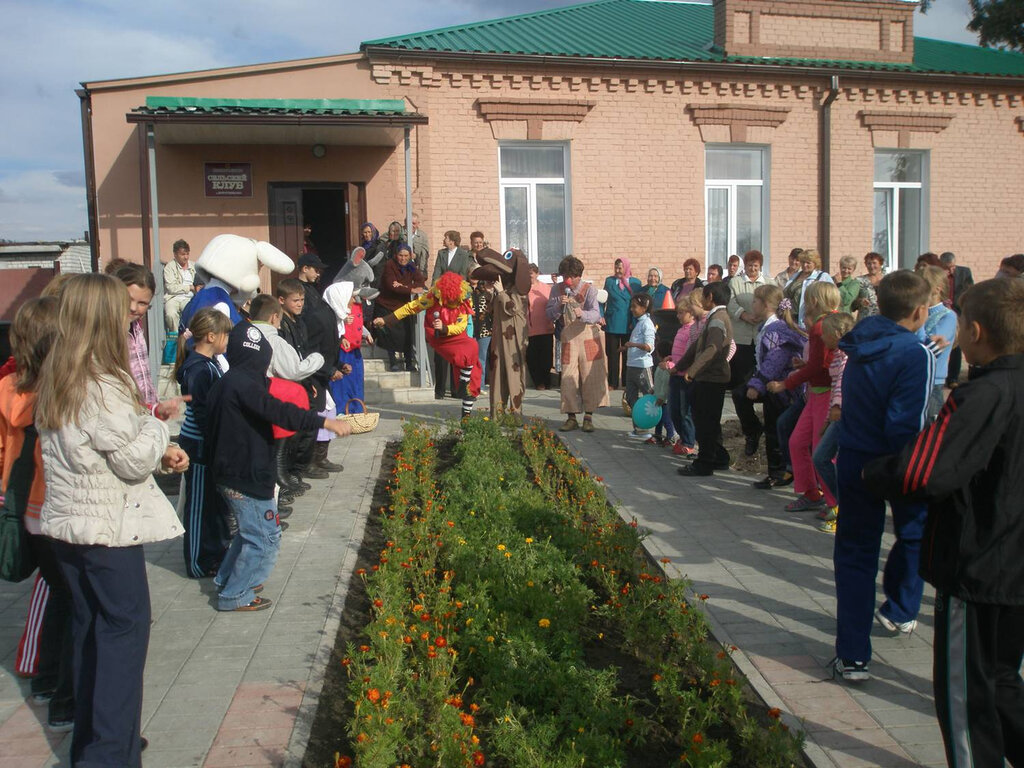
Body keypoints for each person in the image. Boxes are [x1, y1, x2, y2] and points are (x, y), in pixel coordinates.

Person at [863, 278, 1024, 767]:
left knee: (965, 694)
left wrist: (873, 473)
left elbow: (923, 471)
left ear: (974, 332)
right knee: (1002, 678)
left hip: (979, 564)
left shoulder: (983, 395)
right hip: (1015, 565)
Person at [36, 273, 189, 766]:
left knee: (92, 632)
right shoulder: (99, 382)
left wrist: (150, 440)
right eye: (122, 311)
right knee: (124, 635)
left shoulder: (59, 371)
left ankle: (99, 742)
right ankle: (107, 754)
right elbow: (129, 459)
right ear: (101, 318)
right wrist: (158, 426)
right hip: (106, 532)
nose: (130, 319)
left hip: (71, 527)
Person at [831, 270, 935, 682]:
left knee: (855, 555)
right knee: (916, 533)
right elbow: (907, 422)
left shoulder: (860, 340)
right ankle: (901, 606)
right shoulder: (915, 353)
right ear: (920, 311)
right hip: (898, 461)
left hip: (855, 456)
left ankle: (853, 655)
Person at [206, 320, 350, 612]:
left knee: (249, 533)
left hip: (232, 472)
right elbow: (278, 411)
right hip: (244, 475)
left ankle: (228, 579)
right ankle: (236, 594)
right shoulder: (245, 385)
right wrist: (323, 422)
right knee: (264, 538)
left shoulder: (231, 381)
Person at [0, 297, 75, 733]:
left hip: (23, 505)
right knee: (75, 601)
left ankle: (47, 681)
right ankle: (65, 699)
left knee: (58, 594)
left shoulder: (8, 386)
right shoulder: (56, 389)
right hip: (55, 505)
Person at [767, 281, 841, 513]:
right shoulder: (829, 323)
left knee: (821, 451)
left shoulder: (821, 327)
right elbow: (821, 363)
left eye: (807, 300)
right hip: (816, 394)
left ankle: (834, 502)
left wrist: (785, 384)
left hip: (826, 395)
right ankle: (812, 493)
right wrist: (806, 365)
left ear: (814, 301)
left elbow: (819, 367)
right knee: (797, 442)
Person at [174, 308, 235, 578]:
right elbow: (202, 413)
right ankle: (198, 562)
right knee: (199, 505)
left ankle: (216, 553)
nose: (227, 341)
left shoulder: (209, 364)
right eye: (225, 336)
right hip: (199, 445)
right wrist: (217, 441)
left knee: (214, 503)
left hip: (210, 442)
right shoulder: (198, 368)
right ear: (211, 336)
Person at [374, 271, 482, 419]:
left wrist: (445, 328)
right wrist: (387, 319)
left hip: (455, 334)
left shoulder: (464, 300)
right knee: (468, 350)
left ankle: (466, 412)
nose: (452, 304)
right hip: (438, 337)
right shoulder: (432, 298)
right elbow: (411, 307)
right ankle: (464, 381)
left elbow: (461, 326)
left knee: (472, 354)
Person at [745, 288, 806, 489]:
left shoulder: (775, 331)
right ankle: (777, 469)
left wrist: (757, 384)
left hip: (782, 389)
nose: (752, 305)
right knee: (773, 426)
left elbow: (774, 361)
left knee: (775, 430)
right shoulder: (768, 327)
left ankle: (779, 472)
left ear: (765, 305)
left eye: (755, 301)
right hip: (774, 385)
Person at [675, 281, 734, 476]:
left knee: (704, 422)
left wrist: (692, 370)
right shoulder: (715, 317)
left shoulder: (717, 319)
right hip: (711, 376)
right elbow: (697, 346)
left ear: (710, 298)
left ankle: (705, 462)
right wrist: (680, 366)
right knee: (710, 421)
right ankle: (719, 457)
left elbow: (712, 349)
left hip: (711, 378)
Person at [548, 256, 608, 432]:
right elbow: (549, 314)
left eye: (570, 276)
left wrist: (583, 314)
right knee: (568, 376)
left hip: (588, 336)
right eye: (564, 276)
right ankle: (571, 417)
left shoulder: (589, 290)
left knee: (590, 376)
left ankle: (588, 417)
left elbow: (596, 314)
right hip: (568, 338)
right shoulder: (557, 290)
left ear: (578, 275)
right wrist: (558, 306)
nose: (567, 280)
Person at [471, 248, 531, 417]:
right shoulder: (504, 288)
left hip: (514, 341)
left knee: (514, 375)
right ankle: (497, 414)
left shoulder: (519, 291)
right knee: (497, 375)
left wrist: (502, 293)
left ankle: (516, 413)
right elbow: (493, 310)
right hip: (499, 339)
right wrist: (491, 295)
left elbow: (512, 309)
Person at [810, 312, 856, 534]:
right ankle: (841, 506)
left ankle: (845, 510)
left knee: (823, 457)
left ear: (837, 334)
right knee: (822, 458)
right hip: (836, 415)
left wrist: (836, 409)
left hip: (844, 415)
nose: (822, 337)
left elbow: (841, 386)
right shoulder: (838, 354)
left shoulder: (846, 356)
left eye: (825, 333)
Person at [727, 250, 768, 446]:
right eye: (750, 265)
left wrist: (761, 316)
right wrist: (744, 315)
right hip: (742, 338)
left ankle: (766, 425)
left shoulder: (768, 282)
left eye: (756, 266)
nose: (752, 269)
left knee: (761, 380)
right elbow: (730, 303)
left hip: (763, 337)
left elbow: (774, 301)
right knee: (741, 383)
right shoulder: (736, 282)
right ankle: (750, 427)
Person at [376, 243, 425, 372]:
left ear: (410, 256)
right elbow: (392, 286)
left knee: (407, 334)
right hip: (387, 304)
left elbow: (420, 282)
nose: (403, 258)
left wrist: (404, 286)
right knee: (390, 335)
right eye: (400, 255)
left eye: (406, 256)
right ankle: (393, 362)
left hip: (403, 305)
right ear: (396, 255)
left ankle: (409, 363)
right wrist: (410, 289)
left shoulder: (411, 266)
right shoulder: (390, 265)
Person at [324, 282, 370, 416]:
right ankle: (342, 410)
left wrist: (366, 333)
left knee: (356, 382)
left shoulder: (355, 306)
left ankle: (357, 410)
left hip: (354, 349)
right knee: (342, 384)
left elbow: (359, 324)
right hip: (343, 350)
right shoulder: (336, 309)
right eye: (351, 297)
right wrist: (342, 337)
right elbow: (336, 326)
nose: (353, 300)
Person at [918, 266, 958, 419]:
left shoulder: (948, 316)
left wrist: (918, 322)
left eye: (923, 286)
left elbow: (931, 348)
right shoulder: (917, 312)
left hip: (933, 381)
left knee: (929, 425)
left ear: (937, 289)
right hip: (914, 378)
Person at [602, 258, 641, 390]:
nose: (618, 270)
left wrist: (634, 321)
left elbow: (638, 304)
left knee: (627, 354)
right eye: (616, 267)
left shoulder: (635, 283)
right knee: (612, 354)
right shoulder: (609, 281)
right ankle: (612, 382)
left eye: (620, 267)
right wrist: (601, 315)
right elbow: (602, 300)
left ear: (626, 268)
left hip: (628, 323)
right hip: (612, 322)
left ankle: (626, 382)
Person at [667, 298, 698, 456]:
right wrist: (671, 358)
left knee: (685, 412)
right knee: (674, 410)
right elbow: (679, 352)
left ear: (691, 313)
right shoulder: (681, 329)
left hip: (684, 376)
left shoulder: (693, 330)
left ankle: (689, 442)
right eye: (677, 313)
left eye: (681, 313)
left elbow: (689, 355)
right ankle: (682, 436)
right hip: (675, 375)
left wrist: (675, 366)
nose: (678, 316)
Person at [622, 293, 656, 439]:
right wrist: (627, 347)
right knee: (631, 398)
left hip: (642, 366)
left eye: (634, 306)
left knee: (649, 397)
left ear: (644, 307)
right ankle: (638, 429)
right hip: (631, 365)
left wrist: (633, 344)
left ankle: (651, 428)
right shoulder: (639, 323)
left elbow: (649, 347)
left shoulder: (647, 324)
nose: (632, 309)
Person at [940, 251, 973, 387]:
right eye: (948, 267)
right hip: (941, 312)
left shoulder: (964, 272)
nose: (951, 270)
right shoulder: (938, 274)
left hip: (958, 312)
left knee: (956, 345)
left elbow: (970, 291)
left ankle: (953, 378)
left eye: (953, 266)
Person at [782, 248, 834, 328]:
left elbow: (831, 298)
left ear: (815, 263)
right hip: (790, 319)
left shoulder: (822, 277)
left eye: (808, 263)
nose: (804, 265)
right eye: (803, 262)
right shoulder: (796, 276)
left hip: (809, 320)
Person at [526, 264, 555, 390]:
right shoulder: (523, 289)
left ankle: (546, 381)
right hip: (530, 329)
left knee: (546, 358)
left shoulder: (546, 288)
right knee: (532, 358)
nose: (529, 276)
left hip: (546, 327)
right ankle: (538, 382)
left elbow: (553, 304)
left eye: (531, 273)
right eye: (527, 273)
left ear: (537, 274)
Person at [650, 338, 676, 447]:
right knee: (658, 419)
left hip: (664, 399)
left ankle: (671, 436)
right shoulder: (661, 366)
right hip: (658, 396)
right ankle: (658, 435)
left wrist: (661, 397)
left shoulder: (666, 367)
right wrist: (653, 388)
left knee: (666, 419)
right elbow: (658, 381)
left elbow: (665, 384)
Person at [163, 239, 195, 328]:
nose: (186, 257)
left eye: (187, 254)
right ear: (175, 254)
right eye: (183, 254)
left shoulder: (194, 266)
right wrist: (190, 287)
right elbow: (171, 288)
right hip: (173, 297)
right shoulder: (169, 267)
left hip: (189, 297)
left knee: (192, 312)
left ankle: (189, 334)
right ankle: (175, 335)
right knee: (170, 315)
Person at [471, 278, 496, 388]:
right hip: (471, 328)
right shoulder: (467, 291)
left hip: (485, 328)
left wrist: (491, 293)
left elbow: (493, 308)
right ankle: (472, 384)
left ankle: (480, 385)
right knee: (472, 358)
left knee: (482, 358)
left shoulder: (488, 292)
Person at [852, 251, 885, 319]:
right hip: (865, 319)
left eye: (874, 263)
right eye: (869, 263)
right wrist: (860, 301)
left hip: (883, 318)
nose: (872, 266)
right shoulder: (859, 281)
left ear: (880, 264)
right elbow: (852, 303)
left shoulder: (888, 280)